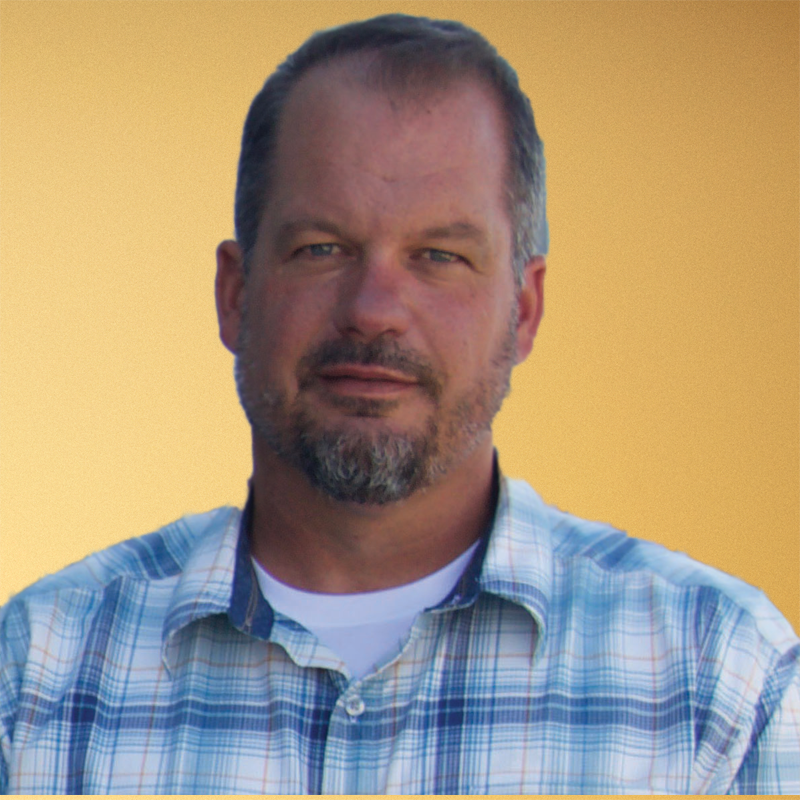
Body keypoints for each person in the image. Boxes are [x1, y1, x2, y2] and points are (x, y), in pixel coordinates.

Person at [0, 13, 798, 795]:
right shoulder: (35, 676)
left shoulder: (720, 684)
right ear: (235, 294)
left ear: (523, 311)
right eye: (322, 248)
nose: (374, 308)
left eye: (439, 256)